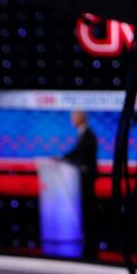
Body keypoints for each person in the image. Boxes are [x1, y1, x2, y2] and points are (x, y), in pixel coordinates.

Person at [60, 110, 99, 258]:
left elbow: (81, 152)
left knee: (89, 205)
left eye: (74, 118)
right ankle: (88, 235)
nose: (72, 121)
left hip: (87, 174)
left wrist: (64, 158)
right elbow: (79, 152)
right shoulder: (84, 133)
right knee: (86, 205)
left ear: (80, 119)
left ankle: (91, 238)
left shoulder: (88, 134)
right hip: (84, 174)